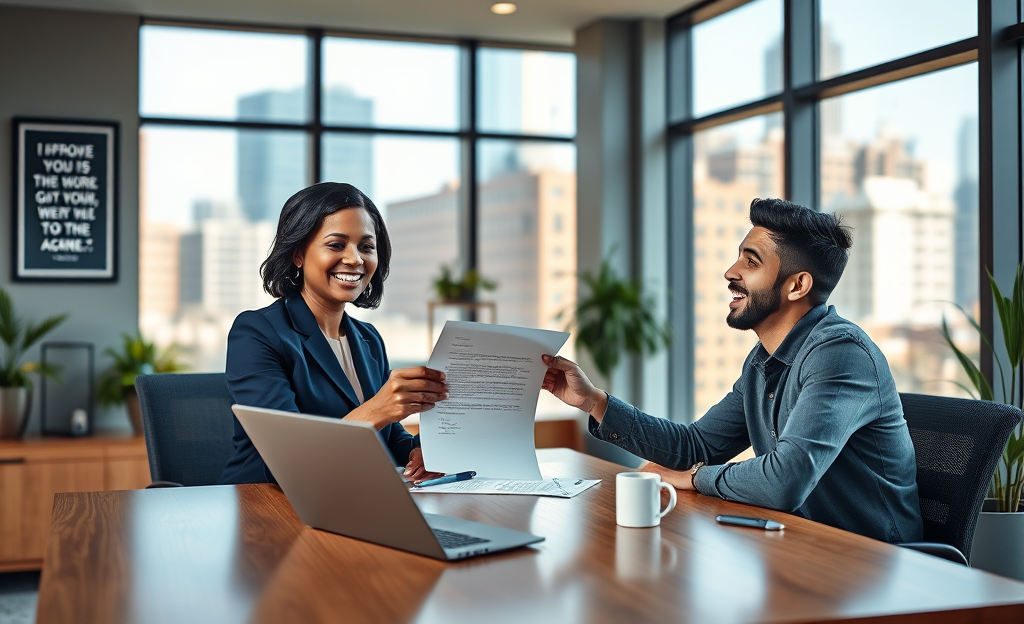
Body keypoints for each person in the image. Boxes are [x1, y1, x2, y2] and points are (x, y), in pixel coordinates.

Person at [542, 198, 923, 543]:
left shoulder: (841, 353)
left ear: (797, 286)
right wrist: (595, 401)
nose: (730, 271)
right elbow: (695, 446)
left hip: (876, 566)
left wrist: (691, 479)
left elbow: (784, 481)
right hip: (799, 548)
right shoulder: (762, 362)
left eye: (751, 261)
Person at [218, 182, 447, 485]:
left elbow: (390, 442)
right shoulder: (257, 333)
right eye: (336, 245)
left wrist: (418, 452)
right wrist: (378, 410)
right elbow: (287, 458)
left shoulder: (368, 339)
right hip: (267, 503)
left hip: (347, 495)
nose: (355, 259)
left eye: (367, 247)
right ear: (298, 254)